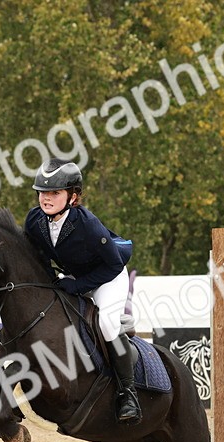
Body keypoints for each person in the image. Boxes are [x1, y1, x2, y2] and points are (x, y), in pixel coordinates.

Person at [23, 159, 141, 424]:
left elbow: (113, 264)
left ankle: (127, 393)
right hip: (73, 275)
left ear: (73, 196)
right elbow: (35, 256)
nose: (46, 198)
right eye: (42, 192)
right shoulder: (34, 220)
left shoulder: (87, 224)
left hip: (108, 277)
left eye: (54, 193)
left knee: (108, 325)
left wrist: (77, 286)